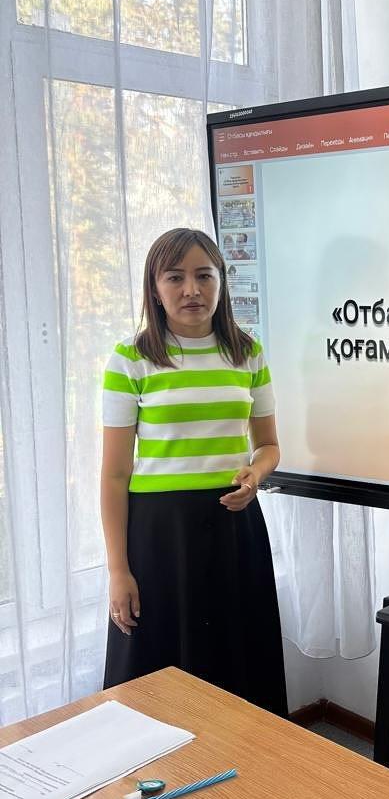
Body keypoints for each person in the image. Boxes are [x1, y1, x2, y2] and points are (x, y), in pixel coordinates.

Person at [100, 227, 287, 715]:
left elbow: (268, 446)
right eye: (175, 277)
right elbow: (114, 476)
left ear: (221, 282)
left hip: (233, 527)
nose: (191, 290)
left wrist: (255, 475)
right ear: (154, 287)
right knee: (155, 678)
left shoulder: (247, 352)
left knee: (239, 668)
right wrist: (118, 570)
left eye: (204, 276)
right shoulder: (131, 358)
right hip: (158, 536)